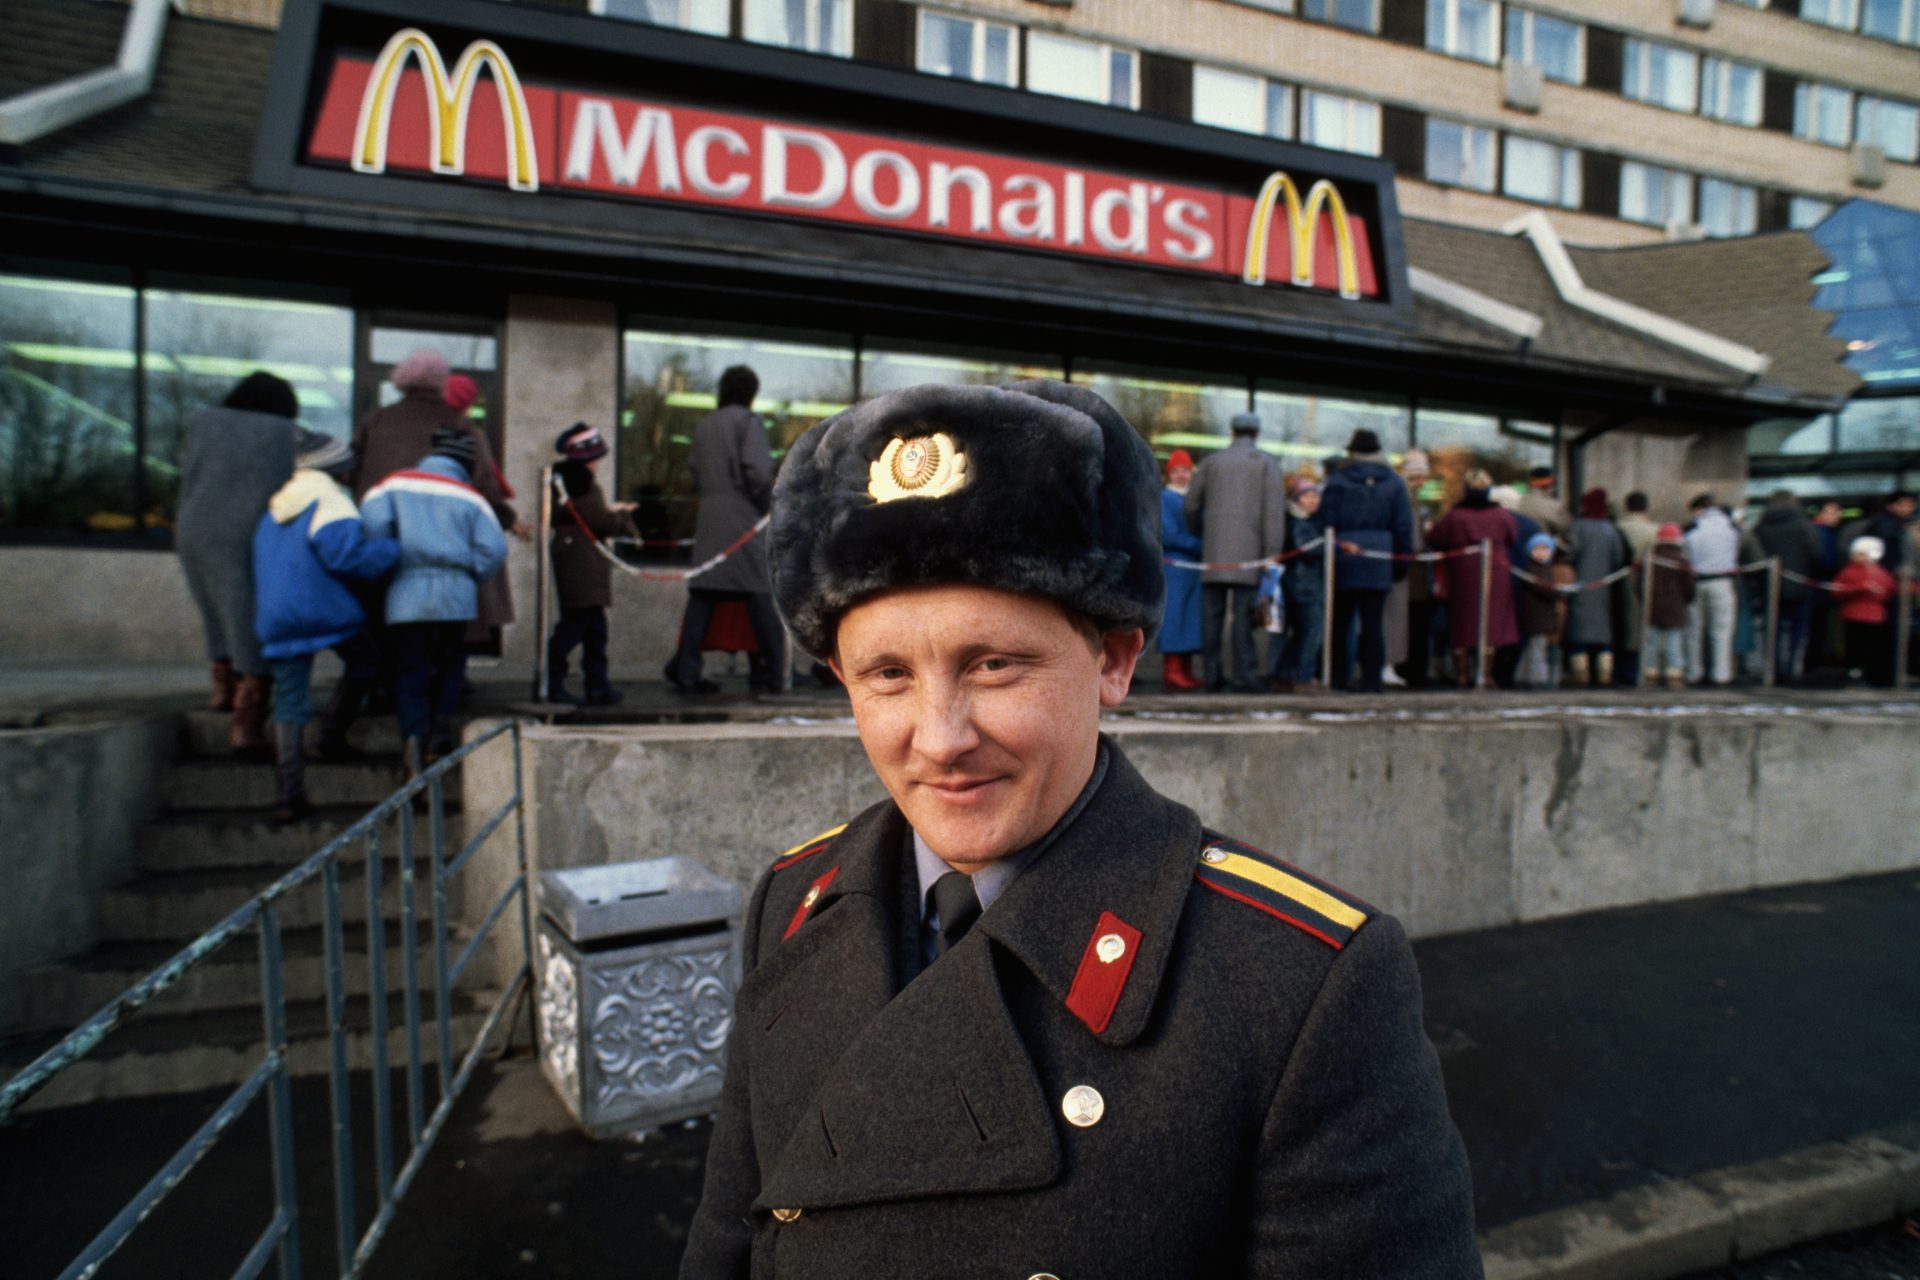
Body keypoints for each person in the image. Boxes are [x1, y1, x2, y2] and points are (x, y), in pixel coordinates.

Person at [680, 380, 1480, 1279]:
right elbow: (728, 1242)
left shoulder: (1303, 987)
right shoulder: (794, 900)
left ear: (1114, 658)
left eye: (994, 665)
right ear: (840, 675)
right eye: (889, 675)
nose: (941, 739)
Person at [252, 432, 398, 823]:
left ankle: (289, 795)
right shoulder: (330, 500)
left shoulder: (276, 506)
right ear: (336, 469)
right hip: (322, 609)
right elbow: (347, 557)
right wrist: (392, 549)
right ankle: (331, 737)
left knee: (289, 699)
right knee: (367, 661)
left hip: (276, 615)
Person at [360, 428, 508, 778]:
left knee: (411, 668)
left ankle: (412, 741)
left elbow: (372, 530)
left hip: (405, 593)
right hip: (456, 595)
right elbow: (494, 550)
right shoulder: (472, 498)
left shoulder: (392, 485)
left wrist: (395, 563)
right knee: (450, 664)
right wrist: (468, 573)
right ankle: (438, 736)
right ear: (464, 463)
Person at [174, 370, 301, 759]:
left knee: (213, 606)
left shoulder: (203, 422)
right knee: (246, 614)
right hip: (246, 530)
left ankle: (222, 689)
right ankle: (247, 720)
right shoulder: (282, 432)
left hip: (192, 525)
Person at [669, 365, 786, 695]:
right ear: (751, 393)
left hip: (709, 518)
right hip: (742, 518)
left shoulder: (706, 425)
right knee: (759, 595)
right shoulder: (748, 423)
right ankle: (775, 673)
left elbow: (693, 471)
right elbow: (758, 471)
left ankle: (687, 671)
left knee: (703, 595)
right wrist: (767, 506)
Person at [1183, 413, 1286, 693]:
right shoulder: (1266, 463)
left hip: (1214, 552)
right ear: (1256, 433)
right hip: (1251, 555)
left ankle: (1211, 675)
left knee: (1211, 618)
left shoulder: (1211, 462)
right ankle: (1244, 676)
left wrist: (1203, 534)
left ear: (1232, 430)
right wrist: (1271, 552)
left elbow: (1191, 504)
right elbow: (1273, 513)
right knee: (1243, 618)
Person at [547, 423, 637, 707]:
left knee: (594, 628)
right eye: (596, 458)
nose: (598, 464)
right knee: (578, 626)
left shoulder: (563, 482)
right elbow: (600, 521)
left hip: (573, 557)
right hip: (583, 562)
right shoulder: (583, 483)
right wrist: (623, 519)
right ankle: (557, 680)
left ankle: (596, 685)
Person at [1318, 429, 1413, 693]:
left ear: (1353, 452)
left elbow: (1326, 521)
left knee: (1341, 622)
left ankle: (1338, 678)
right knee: (1373, 623)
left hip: (1345, 553)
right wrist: (1400, 562)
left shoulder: (1337, 480)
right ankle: (1372, 680)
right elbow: (1403, 525)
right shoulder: (1394, 482)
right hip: (1380, 555)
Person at [1426, 469, 1519, 688]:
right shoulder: (1501, 515)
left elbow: (1436, 537)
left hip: (1463, 570)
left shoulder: (1456, 515)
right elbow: (1513, 537)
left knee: (1462, 622)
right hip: (1496, 571)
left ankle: (1463, 674)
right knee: (1493, 622)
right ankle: (1485, 674)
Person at [1753, 490, 1823, 683]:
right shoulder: (1802, 524)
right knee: (1797, 630)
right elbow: (1815, 552)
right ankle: (1791, 667)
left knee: (1772, 630)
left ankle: (1772, 668)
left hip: (1770, 584)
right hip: (1799, 583)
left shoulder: (1762, 525)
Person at [1565, 488, 1626, 686]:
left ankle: (1579, 671)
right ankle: (1604, 670)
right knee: (1603, 631)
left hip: (1580, 584)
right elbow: (1618, 558)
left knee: (1578, 628)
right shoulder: (1610, 529)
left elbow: (1569, 553)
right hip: (1605, 587)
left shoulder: (1578, 527)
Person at [1156, 448, 1204, 691]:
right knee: (1175, 617)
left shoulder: (1192, 498)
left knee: (1190, 619)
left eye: (1185, 470)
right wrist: (1202, 546)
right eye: (1176, 471)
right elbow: (1170, 535)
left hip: (1191, 568)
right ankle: (1172, 670)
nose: (1181, 475)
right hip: (1176, 567)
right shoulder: (1166, 498)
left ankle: (1184, 668)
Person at [1684, 493, 1741, 686]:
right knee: (1722, 630)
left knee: (1694, 630)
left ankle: (1694, 671)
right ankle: (1721, 673)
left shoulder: (1693, 529)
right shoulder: (1731, 529)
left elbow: (1686, 553)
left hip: (1697, 580)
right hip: (1723, 580)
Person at [1274, 480, 1325, 691]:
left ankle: (1284, 674)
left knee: (1300, 632)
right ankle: (1303, 676)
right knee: (1312, 630)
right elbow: (1308, 549)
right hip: (1305, 585)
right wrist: (1329, 545)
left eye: (1315, 495)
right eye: (1307, 495)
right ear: (1297, 500)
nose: (1313, 500)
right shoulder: (1300, 523)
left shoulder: (1302, 522)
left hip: (1299, 584)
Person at [1832, 535, 1897, 686]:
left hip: (1875, 617)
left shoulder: (1880, 572)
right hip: (1855, 616)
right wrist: (1859, 588)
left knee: (1871, 647)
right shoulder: (1849, 571)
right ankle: (1854, 672)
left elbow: (1890, 589)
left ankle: (1870, 673)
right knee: (1855, 646)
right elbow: (1837, 591)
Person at [1615, 492, 1659, 687]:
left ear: (1626, 506)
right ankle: (1637, 670)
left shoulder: (1618, 527)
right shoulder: (1654, 530)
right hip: (1645, 581)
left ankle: (1620, 670)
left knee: (1621, 625)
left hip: (1618, 581)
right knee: (1638, 626)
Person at [1645, 523, 1695, 690]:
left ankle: (1650, 673)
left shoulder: (1650, 558)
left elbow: (1640, 585)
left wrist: (1645, 600)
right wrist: (1685, 600)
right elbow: (1689, 587)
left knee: (1651, 641)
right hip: (1675, 606)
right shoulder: (1682, 560)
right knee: (1673, 641)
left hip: (1652, 606)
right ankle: (1674, 674)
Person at [1514, 533, 1566, 689]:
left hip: (1539, 616)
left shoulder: (1542, 569)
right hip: (1537, 617)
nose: (1541, 553)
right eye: (1538, 549)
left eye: (1545, 549)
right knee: (1538, 649)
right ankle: (1538, 678)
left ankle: (1522, 676)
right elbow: (1544, 589)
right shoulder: (1534, 569)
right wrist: (1558, 591)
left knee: (1533, 647)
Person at [1519, 465, 1570, 536]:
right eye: (1553, 485)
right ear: (1548, 486)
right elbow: (1567, 528)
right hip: (1544, 545)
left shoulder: (1520, 500)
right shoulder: (1554, 506)